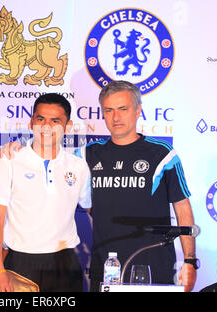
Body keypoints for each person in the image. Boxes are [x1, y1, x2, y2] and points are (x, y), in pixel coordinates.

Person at [77, 80, 197, 292]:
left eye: (123, 109)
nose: (116, 117)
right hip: (106, 268)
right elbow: (51, 164)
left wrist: (189, 261)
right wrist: (13, 151)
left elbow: (182, 208)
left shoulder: (162, 154)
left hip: (154, 267)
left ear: (138, 110)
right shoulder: (87, 154)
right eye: (109, 110)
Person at [0, 93, 91, 292]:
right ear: (32, 122)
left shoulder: (79, 167)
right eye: (41, 119)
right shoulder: (9, 159)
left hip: (65, 264)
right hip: (21, 263)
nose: (46, 126)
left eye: (55, 120)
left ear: (67, 126)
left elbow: (93, 209)